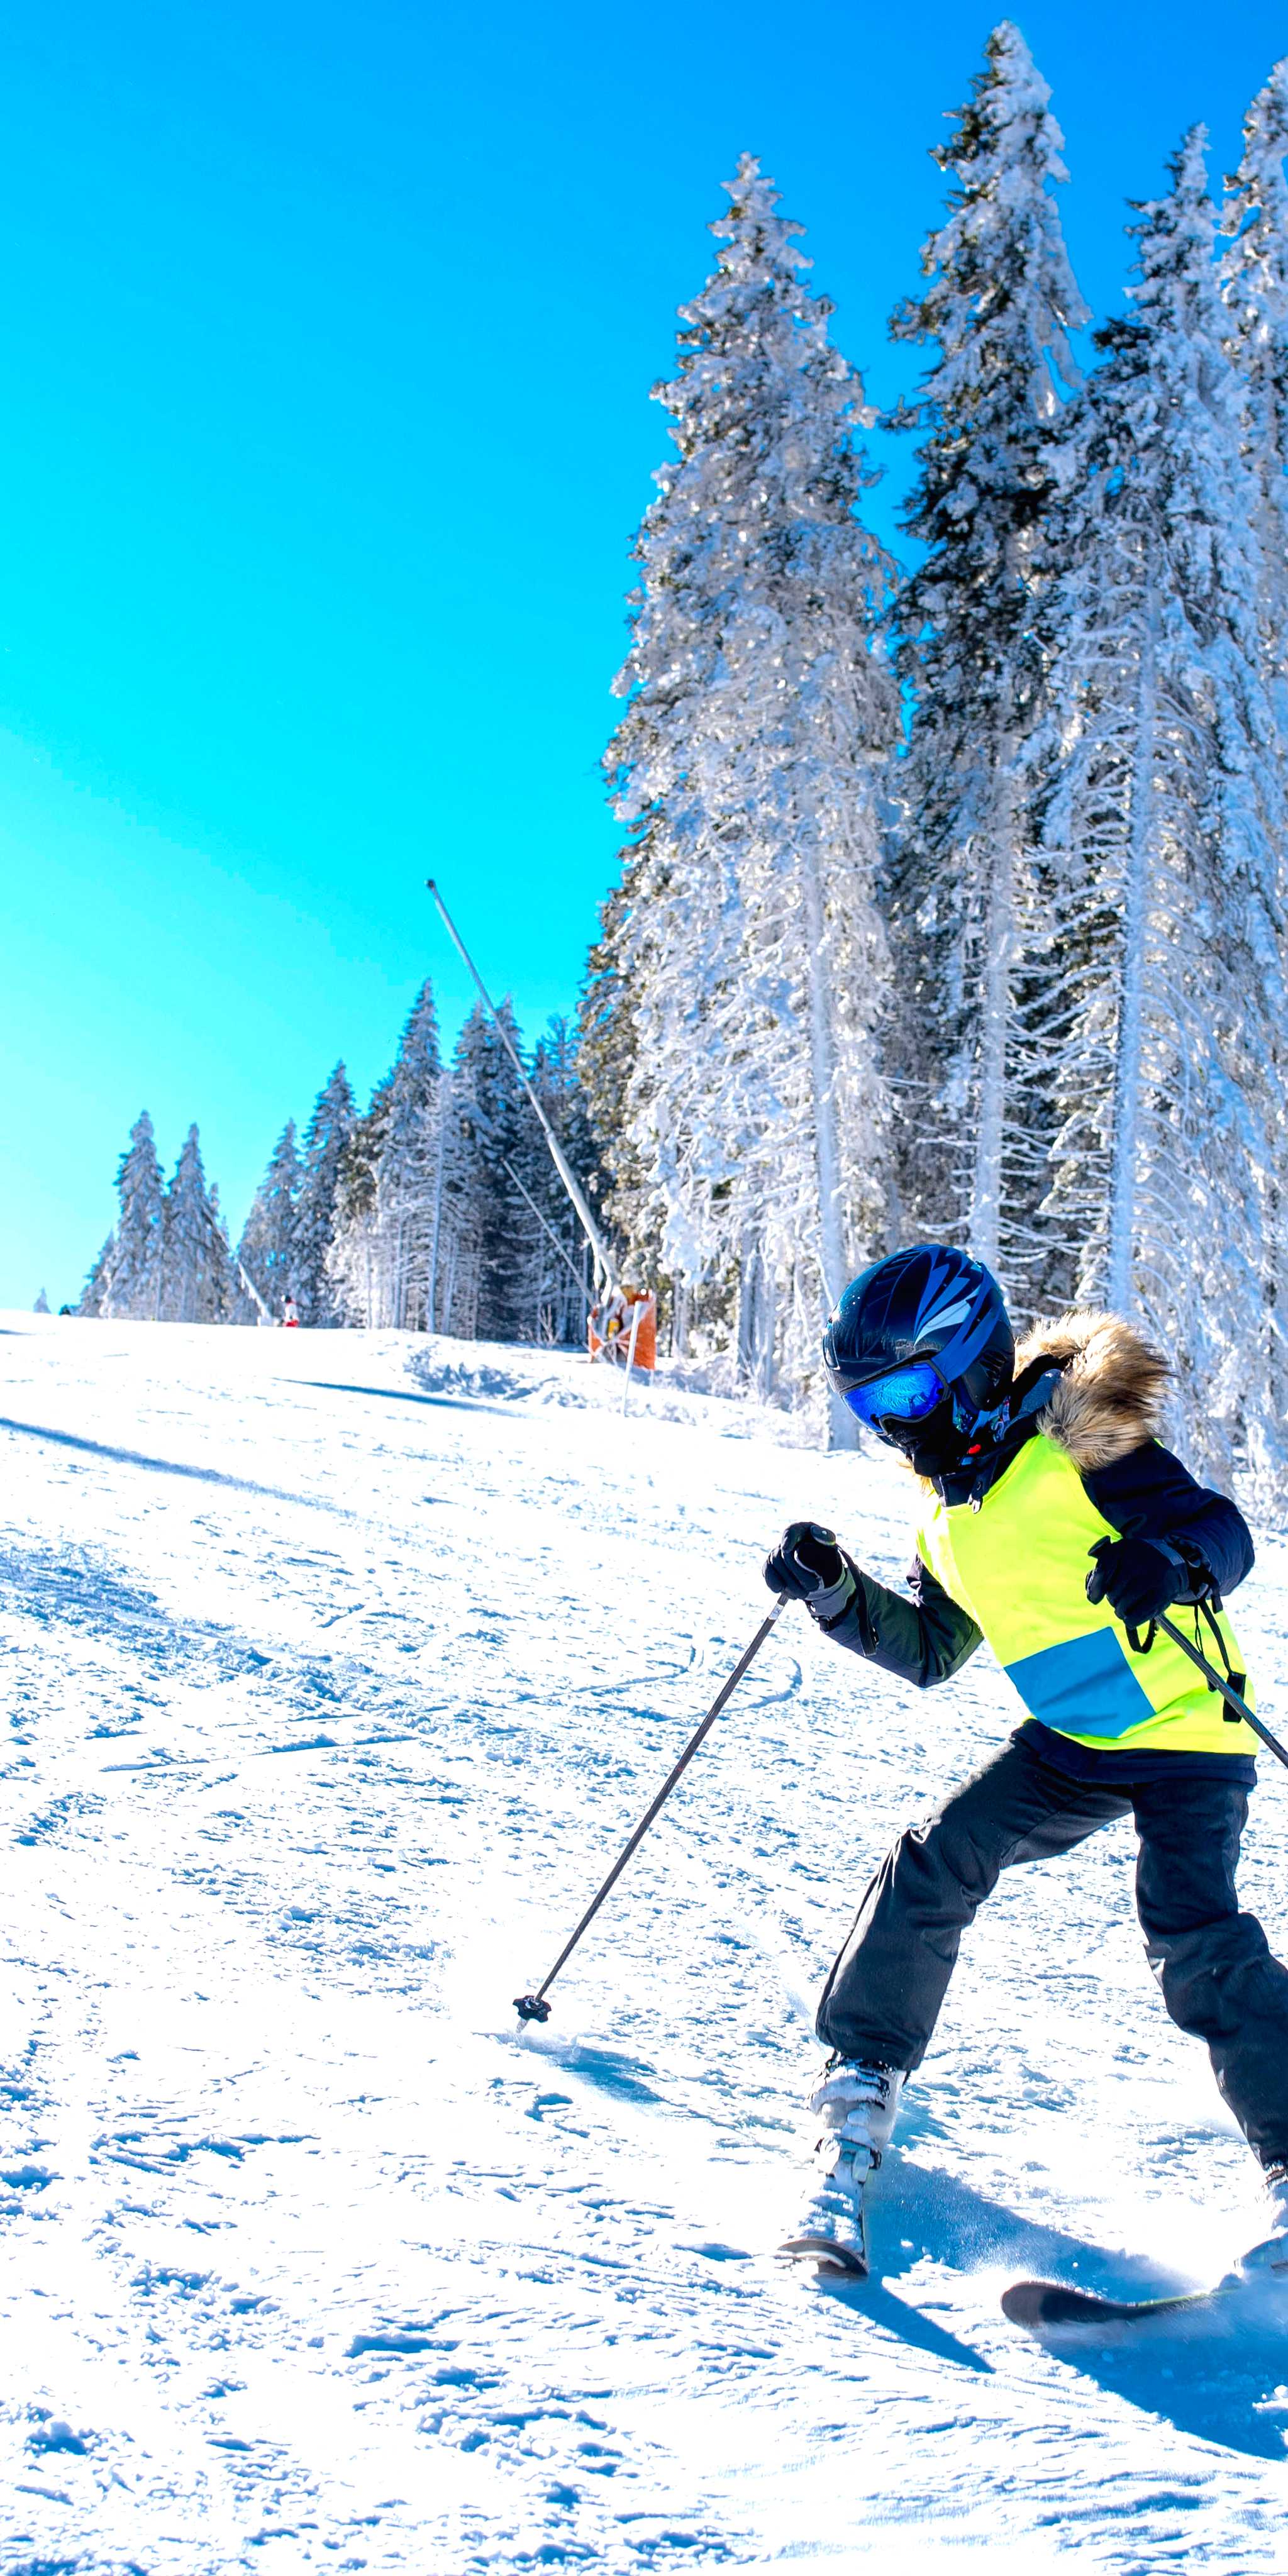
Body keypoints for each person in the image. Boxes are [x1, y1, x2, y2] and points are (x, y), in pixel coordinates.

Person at [765, 1242, 1288, 2280]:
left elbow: (1220, 1532)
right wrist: (834, 1592)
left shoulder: (1079, 1444)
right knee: (936, 1856)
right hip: (1075, 1742)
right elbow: (928, 1649)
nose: (896, 1425)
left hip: (1185, 1728)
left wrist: (1167, 1561)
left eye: (910, 1390)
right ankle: (860, 2089)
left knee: (1191, 1931)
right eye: (872, 1409)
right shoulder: (950, 1512)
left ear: (966, 1361)